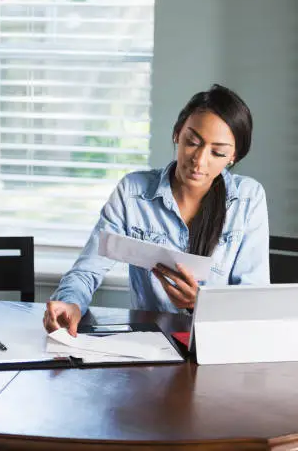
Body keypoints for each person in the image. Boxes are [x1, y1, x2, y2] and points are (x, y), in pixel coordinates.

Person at [43, 84, 269, 336]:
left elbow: (253, 299)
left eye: (217, 152)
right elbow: (87, 270)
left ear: (233, 157)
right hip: (151, 346)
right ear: (176, 134)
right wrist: (71, 303)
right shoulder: (133, 192)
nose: (199, 160)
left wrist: (202, 304)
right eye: (192, 142)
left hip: (222, 343)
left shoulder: (249, 198)